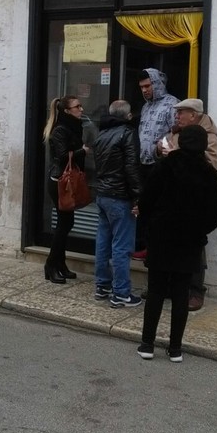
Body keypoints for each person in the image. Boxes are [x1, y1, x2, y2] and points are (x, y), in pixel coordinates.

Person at [137, 125, 217, 362]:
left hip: (161, 238)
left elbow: (145, 201)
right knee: (181, 294)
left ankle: (147, 344)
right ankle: (175, 349)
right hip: (189, 242)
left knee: (155, 291)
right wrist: (197, 231)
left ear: (181, 142)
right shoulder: (208, 175)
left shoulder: (164, 167)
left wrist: (150, 227)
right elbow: (216, 215)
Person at [156, 97, 217, 312]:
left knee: (195, 244)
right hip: (172, 197)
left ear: (193, 115)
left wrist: (176, 155)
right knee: (169, 243)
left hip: (194, 199)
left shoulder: (209, 137)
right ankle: (166, 287)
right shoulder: (176, 132)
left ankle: (195, 290)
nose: (177, 116)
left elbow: (211, 165)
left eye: (181, 112)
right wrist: (160, 149)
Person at [92, 99, 143, 308]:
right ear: (127, 115)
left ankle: (102, 285)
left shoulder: (102, 133)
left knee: (103, 241)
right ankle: (121, 293)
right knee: (122, 246)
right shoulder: (127, 133)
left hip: (102, 194)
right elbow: (131, 167)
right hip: (120, 196)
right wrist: (138, 197)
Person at [132, 69, 178, 259]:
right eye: (141, 87)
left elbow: (176, 133)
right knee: (142, 206)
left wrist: (162, 148)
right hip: (143, 163)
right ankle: (144, 245)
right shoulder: (145, 107)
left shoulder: (172, 104)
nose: (144, 90)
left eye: (147, 86)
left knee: (157, 207)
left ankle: (154, 247)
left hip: (160, 165)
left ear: (157, 84)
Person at [42, 95, 87, 284]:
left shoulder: (74, 126)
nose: (81, 109)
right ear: (67, 111)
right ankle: (51, 266)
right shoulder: (60, 130)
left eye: (81, 105)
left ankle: (60, 264)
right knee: (64, 225)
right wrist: (82, 151)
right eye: (77, 106)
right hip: (60, 181)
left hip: (65, 180)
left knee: (67, 223)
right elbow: (61, 157)